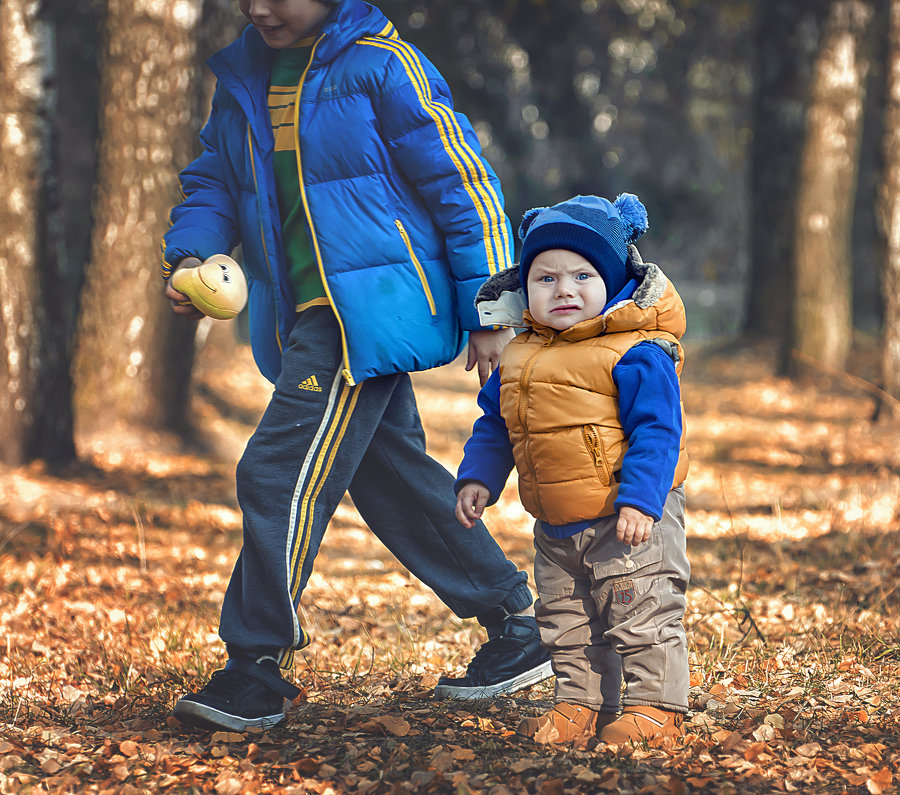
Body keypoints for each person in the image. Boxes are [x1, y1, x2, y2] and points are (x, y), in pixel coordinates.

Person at [160, 0, 551, 732]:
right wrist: (192, 254)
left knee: (275, 472)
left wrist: (493, 312)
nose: (260, 7)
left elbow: (464, 187)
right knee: (391, 477)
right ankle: (515, 620)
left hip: (364, 312)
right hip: (307, 316)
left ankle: (254, 664)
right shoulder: (244, 71)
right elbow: (214, 177)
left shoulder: (382, 66)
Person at [454, 193, 691, 747]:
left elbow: (659, 430)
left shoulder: (636, 351)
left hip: (627, 515)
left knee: (640, 610)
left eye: (582, 275)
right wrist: (479, 478)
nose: (563, 289)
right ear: (524, 288)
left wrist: (640, 500)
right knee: (569, 619)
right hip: (557, 523)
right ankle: (581, 704)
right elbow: (496, 423)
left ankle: (656, 707)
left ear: (613, 281)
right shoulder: (519, 355)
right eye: (546, 278)